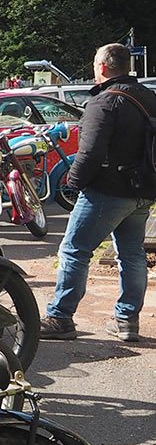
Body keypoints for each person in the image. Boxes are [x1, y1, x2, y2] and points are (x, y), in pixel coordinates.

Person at [40, 43, 156, 342]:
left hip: (107, 191)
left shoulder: (104, 102)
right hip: (143, 190)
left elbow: (89, 153)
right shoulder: (149, 97)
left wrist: (73, 183)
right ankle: (126, 321)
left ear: (102, 67)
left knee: (75, 251)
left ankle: (60, 318)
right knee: (131, 254)